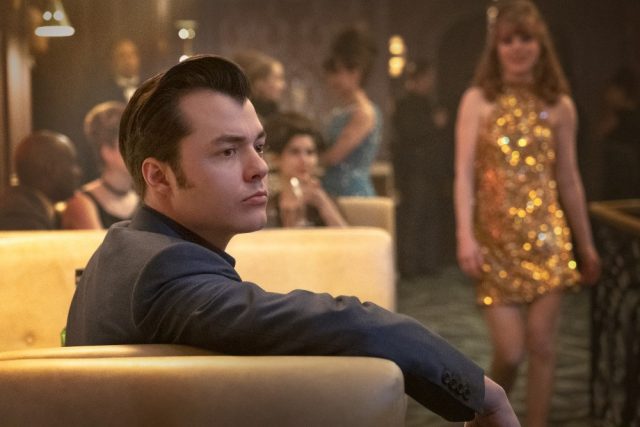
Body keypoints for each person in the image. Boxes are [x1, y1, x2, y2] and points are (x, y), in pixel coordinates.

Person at [65, 55, 518, 426]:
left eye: (259, 146)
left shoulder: (122, 245)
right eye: (228, 151)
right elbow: (354, 324)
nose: (260, 168)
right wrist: (483, 393)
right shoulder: (162, 273)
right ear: (159, 176)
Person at [453, 2, 601, 426]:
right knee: (511, 352)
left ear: (541, 44)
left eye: (526, 38)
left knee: (543, 346)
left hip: (548, 241)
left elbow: (569, 180)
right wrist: (465, 235)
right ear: (496, 47)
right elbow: (463, 175)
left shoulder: (560, 106)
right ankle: (481, 420)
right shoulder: (478, 100)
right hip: (494, 244)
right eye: (508, 40)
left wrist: (586, 245)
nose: (517, 47)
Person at [392, 60, 451, 277]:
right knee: (414, 217)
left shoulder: (429, 103)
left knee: (430, 216)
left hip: (432, 171)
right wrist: (433, 123)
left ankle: (428, 263)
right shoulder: (406, 105)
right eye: (428, 78)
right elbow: (408, 134)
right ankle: (409, 266)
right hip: (414, 171)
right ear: (418, 79)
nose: (431, 83)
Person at [321, 26, 382, 197]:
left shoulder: (364, 112)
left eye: (337, 72)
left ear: (356, 72)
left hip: (352, 194)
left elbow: (334, 156)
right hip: (333, 190)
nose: (332, 80)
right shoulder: (345, 110)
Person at [62, 101, 139, 229]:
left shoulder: (145, 202)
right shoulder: (82, 203)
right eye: (131, 144)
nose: (140, 152)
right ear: (107, 151)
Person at [264, 111, 347, 228]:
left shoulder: (325, 200)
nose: (304, 160)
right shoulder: (268, 205)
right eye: (294, 152)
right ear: (276, 158)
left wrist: (322, 203)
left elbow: (348, 237)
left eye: (310, 152)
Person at [0, 131, 81, 230]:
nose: (78, 172)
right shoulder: (19, 217)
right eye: (72, 164)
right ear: (51, 168)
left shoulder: (29, 208)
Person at [232, 49, 286, 121]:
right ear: (259, 82)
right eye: (277, 78)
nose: (282, 86)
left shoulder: (275, 114)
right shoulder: (244, 116)